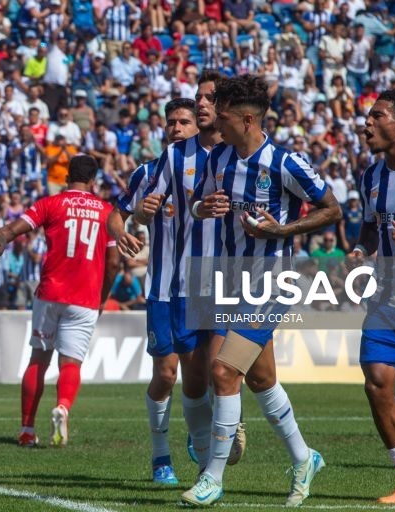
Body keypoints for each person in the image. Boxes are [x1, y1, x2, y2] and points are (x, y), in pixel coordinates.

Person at [183, 75, 342, 507]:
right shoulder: (220, 159)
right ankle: (305, 457)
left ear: (248, 119)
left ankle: (212, 477)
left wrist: (285, 229)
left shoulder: (286, 163)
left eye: (225, 117)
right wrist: (203, 208)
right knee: (261, 377)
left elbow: (332, 209)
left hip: (272, 282)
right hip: (230, 281)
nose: (217, 123)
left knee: (222, 371)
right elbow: (197, 203)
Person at [106, 75, 245, 487]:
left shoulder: (234, 157)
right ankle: (164, 453)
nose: (177, 126)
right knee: (171, 374)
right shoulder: (161, 165)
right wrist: (132, 224)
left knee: (218, 369)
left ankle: (211, 453)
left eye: (184, 119)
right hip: (167, 285)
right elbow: (123, 212)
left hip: (215, 282)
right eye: (173, 121)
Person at [0, 155, 120, 447]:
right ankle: (62, 406)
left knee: (39, 357)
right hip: (85, 297)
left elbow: (13, 230)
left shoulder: (50, 204)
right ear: (93, 180)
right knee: (71, 363)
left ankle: (26, 429)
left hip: (50, 292)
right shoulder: (106, 211)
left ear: (66, 177)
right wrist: (101, 299)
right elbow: (113, 264)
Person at [347, 89, 395, 504]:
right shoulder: (371, 177)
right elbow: (368, 227)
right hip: (389, 297)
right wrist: (360, 251)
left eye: (376, 116)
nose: (366, 123)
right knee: (378, 382)